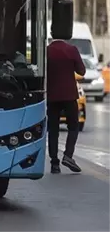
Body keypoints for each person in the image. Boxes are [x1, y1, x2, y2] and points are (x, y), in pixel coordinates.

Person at [47, 35, 86, 174]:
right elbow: (81, 71)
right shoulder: (71, 50)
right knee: (73, 126)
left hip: (51, 96)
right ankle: (68, 155)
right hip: (69, 95)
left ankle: (54, 163)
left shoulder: (46, 51)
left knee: (53, 130)